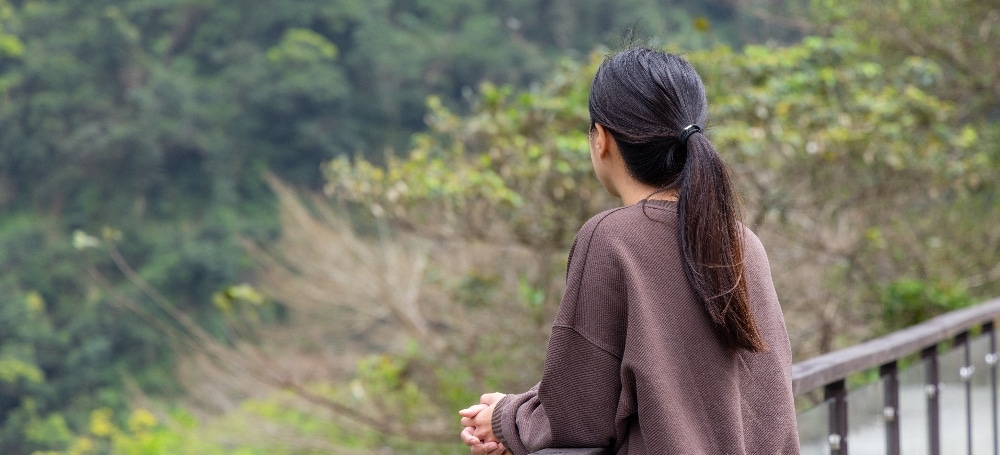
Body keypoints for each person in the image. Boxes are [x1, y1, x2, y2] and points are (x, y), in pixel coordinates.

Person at [458, 47, 799, 454]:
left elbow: (580, 414)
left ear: (601, 139)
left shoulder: (610, 238)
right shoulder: (743, 241)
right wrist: (515, 416)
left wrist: (505, 418)